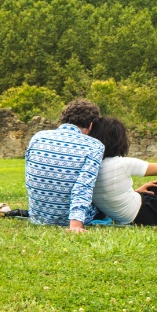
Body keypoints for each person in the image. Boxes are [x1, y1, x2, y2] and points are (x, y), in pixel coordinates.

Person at [24, 99, 105, 233]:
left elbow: (30, 177)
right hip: (66, 220)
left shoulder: (38, 137)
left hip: (38, 217)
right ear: (91, 125)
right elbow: (83, 186)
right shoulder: (94, 146)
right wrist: (76, 224)